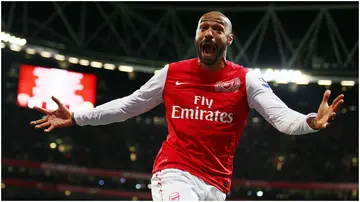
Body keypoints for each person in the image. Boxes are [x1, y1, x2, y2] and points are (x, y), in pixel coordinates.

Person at [30, 11, 344, 201]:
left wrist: (310, 121)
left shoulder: (246, 80)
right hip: (174, 170)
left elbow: (280, 117)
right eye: (203, 28)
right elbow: (129, 105)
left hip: (217, 183)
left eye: (217, 29)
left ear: (229, 39)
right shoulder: (172, 74)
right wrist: (77, 116)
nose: (209, 33)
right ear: (196, 36)